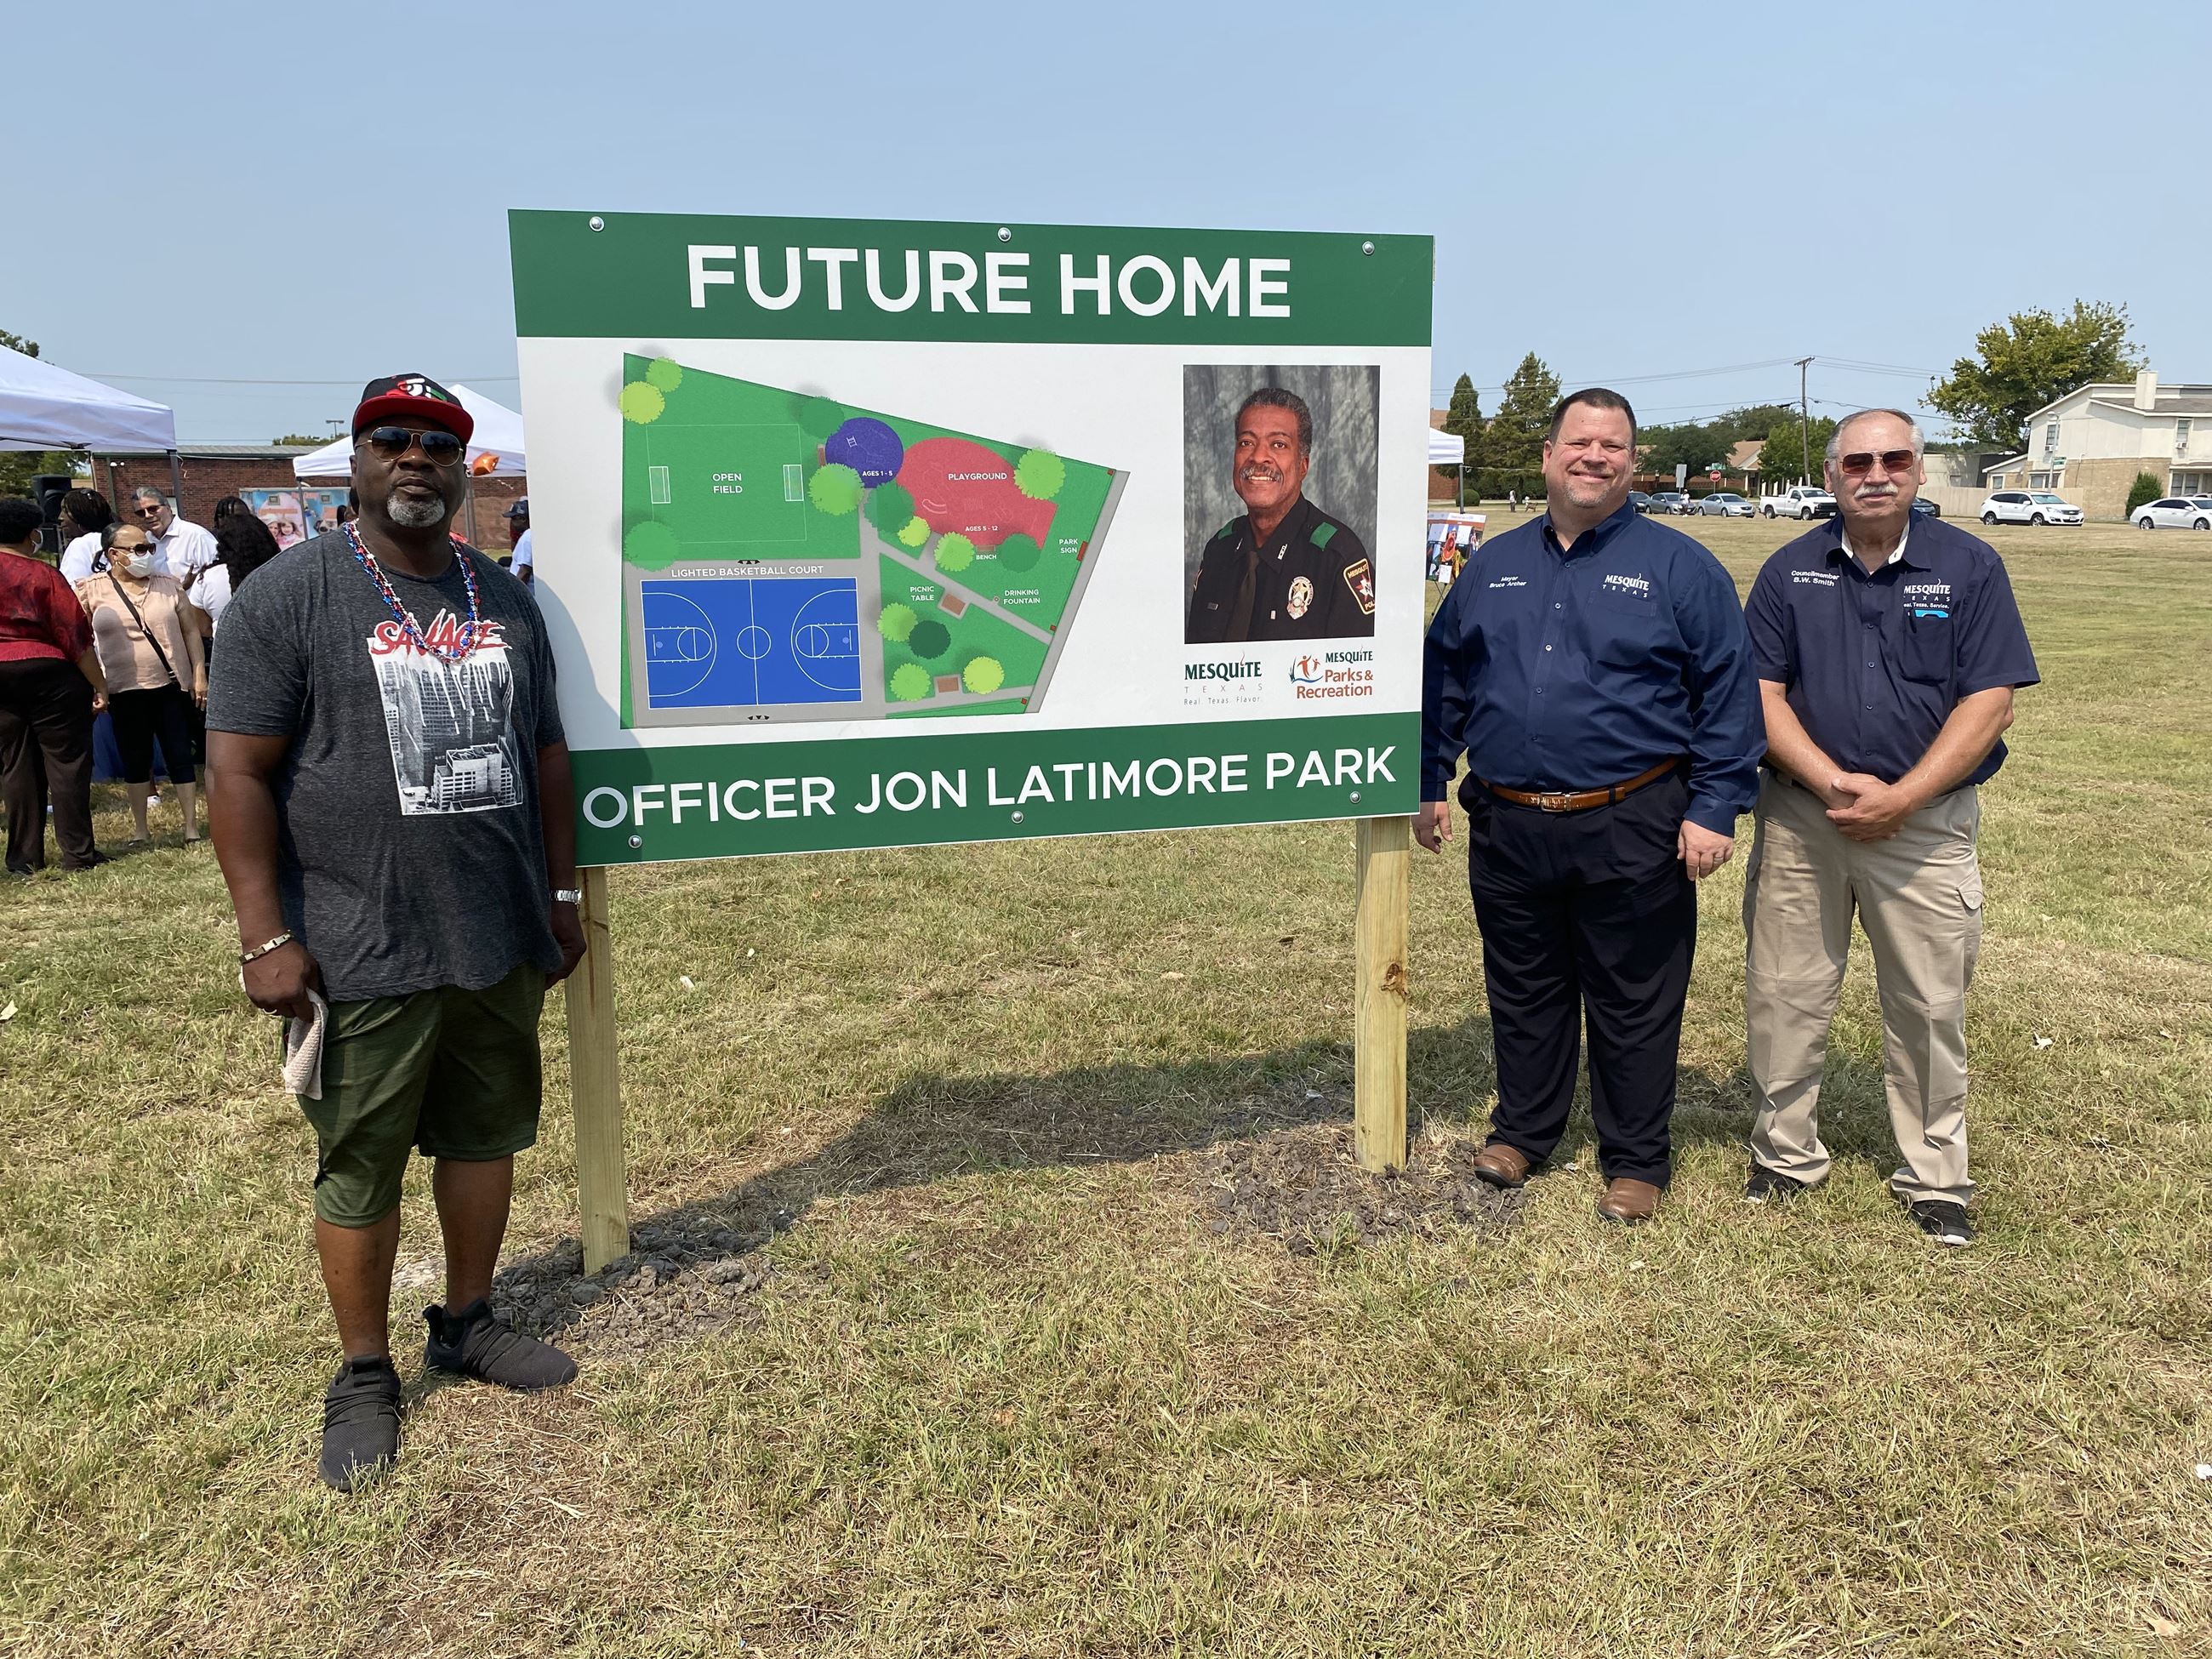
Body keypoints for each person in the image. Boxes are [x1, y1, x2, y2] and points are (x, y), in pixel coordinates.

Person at [207, 373, 587, 1492]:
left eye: (436, 443)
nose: (414, 457)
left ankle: (467, 1320)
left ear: (465, 468)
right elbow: (235, 769)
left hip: (498, 928)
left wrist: (560, 901)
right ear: (357, 462)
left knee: (486, 1134)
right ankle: (365, 1372)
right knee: (362, 1158)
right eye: (391, 440)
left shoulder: (507, 599)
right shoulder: (290, 596)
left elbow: (549, 755)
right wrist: (262, 933)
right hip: (358, 937)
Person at [1418, 388, 1761, 1223]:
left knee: (1632, 996)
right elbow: (1446, 675)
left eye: (1611, 447)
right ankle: (1523, 1132)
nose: (1593, 458)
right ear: (1546, 455)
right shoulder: (1492, 565)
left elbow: (1725, 695)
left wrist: (1714, 806)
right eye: (1578, 443)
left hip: (1631, 818)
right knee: (1523, 986)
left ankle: (1634, 1158)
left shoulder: (1680, 567)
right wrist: (1428, 779)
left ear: (1631, 463)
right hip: (1507, 820)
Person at [1740, 409, 2038, 1247]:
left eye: (1893, 458)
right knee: (1784, 995)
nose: (1875, 473)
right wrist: (1834, 782)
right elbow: (1760, 696)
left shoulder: (1969, 568)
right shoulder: (1788, 570)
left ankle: (1936, 1179)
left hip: (1924, 827)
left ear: (1916, 470)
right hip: (1803, 817)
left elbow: (1990, 701)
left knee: (1927, 1003)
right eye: (1857, 461)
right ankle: (1782, 1158)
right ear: (1831, 475)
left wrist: (1901, 797)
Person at [1185, 389, 1374, 643]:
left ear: (1303, 465)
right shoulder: (1219, 550)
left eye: (1278, 444)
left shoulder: (1337, 558)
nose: (1259, 456)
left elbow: (1358, 676)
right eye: (1246, 442)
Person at [78, 521, 204, 843]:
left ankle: (191, 826)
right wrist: (94, 683)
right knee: (135, 758)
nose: (146, 555)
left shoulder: (168, 584)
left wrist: (199, 674)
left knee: (180, 753)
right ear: (113, 555)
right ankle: (140, 829)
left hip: (171, 684)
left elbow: (191, 630)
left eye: (149, 548)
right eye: (137, 549)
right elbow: (79, 639)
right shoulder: (91, 589)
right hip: (123, 688)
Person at [0, 497, 107, 873]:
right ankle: (78, 855)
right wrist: (100, 685)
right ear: (33, 535)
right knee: (67, 763)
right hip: (49, 673)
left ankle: (23, 859)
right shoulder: (42, 574)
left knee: (14, 764)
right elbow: (75, 634)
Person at [127, 485, 218, 584]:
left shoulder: (196, 536)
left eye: (153, 509)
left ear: (168, 508)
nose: (148, 515)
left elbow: (218, 576)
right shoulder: (144, 541)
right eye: (140, 513)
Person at [57, 488, 117, 582]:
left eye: (66, 511)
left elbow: (74, 589)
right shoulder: (118, 539)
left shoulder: (81, 544)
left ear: (82, 517)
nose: (60, 517)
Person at [505, 496, 533, 585]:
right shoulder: (528, 535)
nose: (511, 523)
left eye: (514, 518)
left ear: (523, 519)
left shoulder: (527, 537)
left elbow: (525, 571)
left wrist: (513, 592)